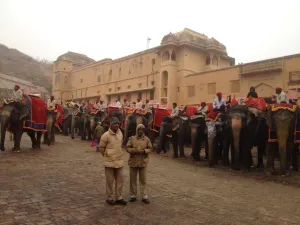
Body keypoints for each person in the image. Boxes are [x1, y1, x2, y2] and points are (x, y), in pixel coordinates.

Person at [99, 117, 127, 205]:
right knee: (110, 181)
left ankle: (119, 197)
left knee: (120, 180)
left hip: (119, 161)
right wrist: (107, 154)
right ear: (111, 125)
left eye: (117, 124)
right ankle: (109, 198)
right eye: (114, 124)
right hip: (109, 162)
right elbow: (101, 148)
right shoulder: (105, 135)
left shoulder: (120, 133)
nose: (116, 125)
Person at [126, 124, 152, 204]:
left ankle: (144, 196)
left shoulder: (147, 139)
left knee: (143, 180)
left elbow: (150, 148)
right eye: (139, 129)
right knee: (132, 180)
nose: (140, 130)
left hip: (142, 162)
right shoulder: (132, 138)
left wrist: (145, 151)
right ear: (137, 130)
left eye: (142, 129)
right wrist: (133, 150)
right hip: (133, 161)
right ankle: (132, 195)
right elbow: (127, 148)